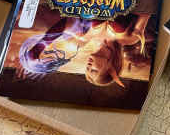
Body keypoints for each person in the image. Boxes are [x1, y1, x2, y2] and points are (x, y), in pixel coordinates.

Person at [18, 14, 153, 88]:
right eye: (93, 70)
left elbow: (64, 25)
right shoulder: (129, 39)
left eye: (86, 70)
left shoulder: (84, 38)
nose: (88, 67)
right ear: (111, 68)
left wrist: (36, 50)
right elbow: (146, 10)